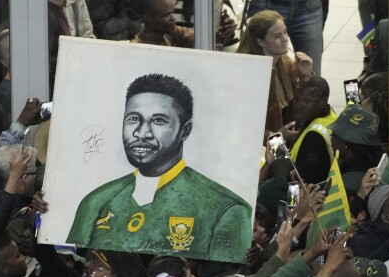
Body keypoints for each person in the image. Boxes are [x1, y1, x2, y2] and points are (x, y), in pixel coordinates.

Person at [67, 73, 251, 258]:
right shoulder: (96, 201)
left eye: (158, 121)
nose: (141, 133)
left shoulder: (226, 210)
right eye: (133, 119)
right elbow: (76, 264)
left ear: (185, 131)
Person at [238, 10, 314, 133]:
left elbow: (306, 107)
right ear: (261, 41)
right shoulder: (248, 76)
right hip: (264, 146)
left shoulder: (286, 64)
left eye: (285, 32)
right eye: (277, 36)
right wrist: (278, 137)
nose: (285, 39)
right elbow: (246, 127)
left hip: (281, 140)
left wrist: (305, 76)